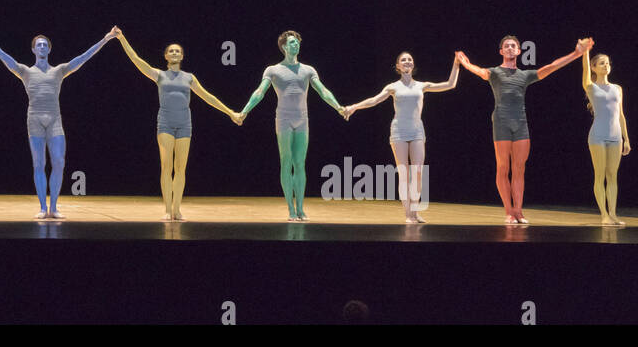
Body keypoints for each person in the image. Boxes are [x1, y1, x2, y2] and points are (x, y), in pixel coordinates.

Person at [0, 24, 117, 218]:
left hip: (54, 120)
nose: (42, 47)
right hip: (34, 119)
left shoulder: (59, 70)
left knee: (59, 162)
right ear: (33, 49)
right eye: (38, 45)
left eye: (45, 45)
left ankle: (54, 207)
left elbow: (84, 57)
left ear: (49, 49)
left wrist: (106, 38)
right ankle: (43, 207)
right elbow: (2, 55)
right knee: (38, 164)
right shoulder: (24, 71)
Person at [457, 36, 591, 224]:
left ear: (519, 51)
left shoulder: (525, 75)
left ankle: (518, 211)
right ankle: (509, 212)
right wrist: (465, 63)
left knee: (519, 168)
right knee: (503, 167)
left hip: (520, 123)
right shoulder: (495, 72)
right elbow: (480, 71)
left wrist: (577, 53)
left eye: (513, 46)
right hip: (502, 121)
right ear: (501, 52)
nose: (510, 48)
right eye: (506, 46)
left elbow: (551, 67)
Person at [114, 30, 241, 220]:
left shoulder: (189, 77)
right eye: (171, 51)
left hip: (184, 124)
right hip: (165, 123)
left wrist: (230, 112)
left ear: (182, 56)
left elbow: (208, 97)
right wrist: (121, 37)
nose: (174, 53)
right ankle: (167, 209)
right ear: (165, 56)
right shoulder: (159, 75)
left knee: (181, 168)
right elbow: (136, 59)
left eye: (177, 51)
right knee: (166, 166)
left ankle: (177, 209)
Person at [238, 31, 345, 222]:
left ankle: (301, 208)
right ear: (284, 46)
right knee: (286, 162)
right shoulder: (272, 70)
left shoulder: (308, 70)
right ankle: (290, 209)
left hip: (302, 119)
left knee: (300, 164)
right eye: (292, 42)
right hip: (284, 119)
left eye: (297, 42)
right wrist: (244, 111)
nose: (296, 45)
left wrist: (338, 107)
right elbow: (260, 92)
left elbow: (323, 91)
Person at [343, 52, 461, 223]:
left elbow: (450, 84)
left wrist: (456, 64)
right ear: (397, 66)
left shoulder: (422, 85)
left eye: (410, 59)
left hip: (417, 131)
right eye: (403, 60)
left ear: (413, 65)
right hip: (399, 131)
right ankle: (408, 214)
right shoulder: (393, 87)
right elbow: (374, 100)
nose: (407, 61)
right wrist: (354, 107)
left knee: (418, 172)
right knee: (404, 174)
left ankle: (415, 211)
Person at [581, 44, 630, 225]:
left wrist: (626, 139)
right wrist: (585, 52)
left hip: (616, 136)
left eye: (607, 63)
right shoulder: (591, 87)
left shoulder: (617, 88)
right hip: (597, 136)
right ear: (594, 67)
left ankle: (613, 214)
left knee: (613, 176)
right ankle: (604, 215)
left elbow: (621, 115)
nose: (606, 66)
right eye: (601, 63)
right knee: (599, 175)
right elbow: (585, 69)